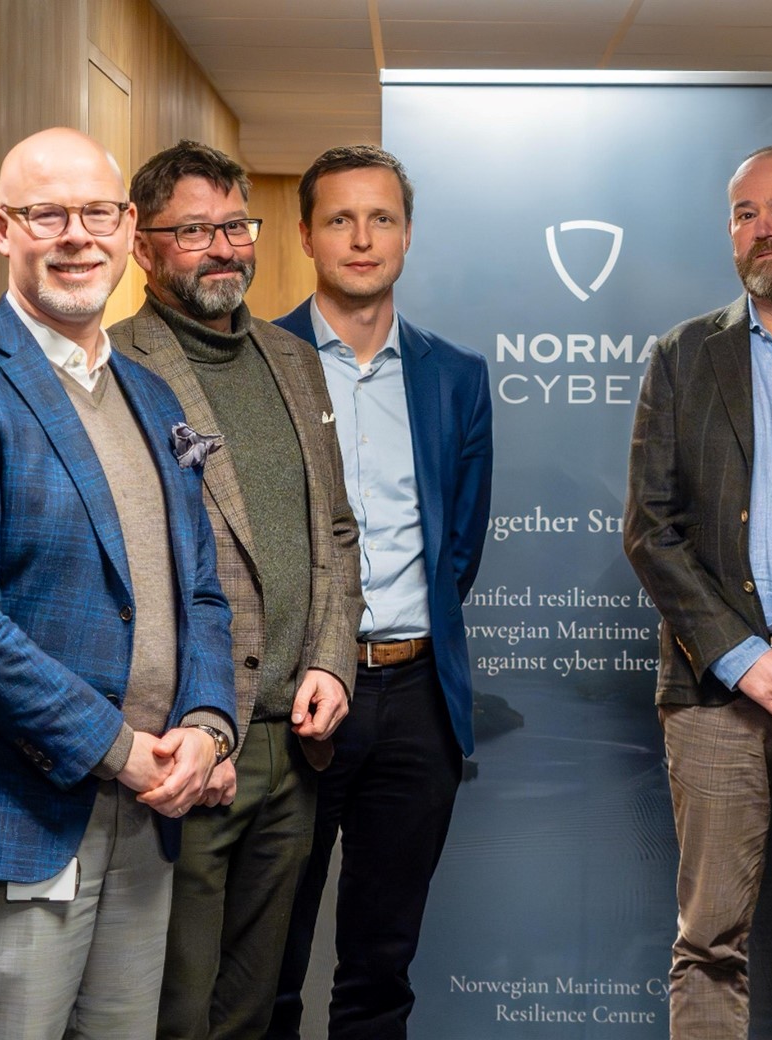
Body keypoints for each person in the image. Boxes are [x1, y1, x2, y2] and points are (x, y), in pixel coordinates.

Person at [0, 127, 236, 1038]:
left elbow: (200, 588)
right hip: (11, 808)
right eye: (47, 214)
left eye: (98, 213)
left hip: (145, 813)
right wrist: (117, 747)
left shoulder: (151, 397)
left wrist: (206, 723)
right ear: (4, 229)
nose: (77, 236)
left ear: (128, 229)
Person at [108, 139, 364, 1040]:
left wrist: (331, 660)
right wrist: (201, 722)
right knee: (175, 1012)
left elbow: (336, 529)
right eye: (193, 231)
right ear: (142, 246)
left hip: (296, 746)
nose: (222, 249)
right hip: (187, 754)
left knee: (254, 1007)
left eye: (234, 226)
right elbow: (129, 572)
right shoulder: (117, 369)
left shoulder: (293, 360)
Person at [267, 144, 493, 1040]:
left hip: (415, 700)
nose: (362, 239)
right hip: (291, 702)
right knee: (267, 966)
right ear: (306, 235)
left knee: (381, 967)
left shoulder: (456, 376)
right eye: (340, 219)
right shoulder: (261, 362)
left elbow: (459, 547)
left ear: (406, 234)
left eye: (382, 219)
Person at [624, 146, 772, 1040]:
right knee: (710, 940)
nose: (764, 230)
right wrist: (743, 657)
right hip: (717, 686)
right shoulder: (683, 355)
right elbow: (650, 528)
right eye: (744, 214)